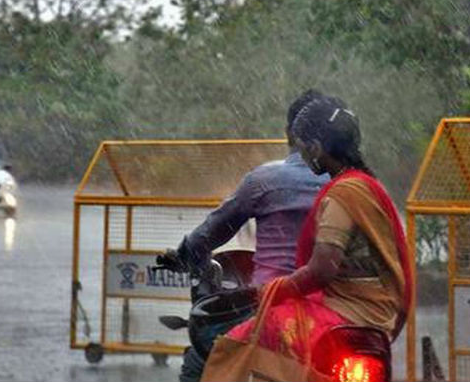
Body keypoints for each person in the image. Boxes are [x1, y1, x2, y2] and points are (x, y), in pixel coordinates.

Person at [219, 95, 414, 365]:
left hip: (347, 314)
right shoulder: (369, 187)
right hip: (381, 317)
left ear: (316, 147)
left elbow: (321, 271)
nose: (305, 157)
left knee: (232, 345)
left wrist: (273, 289)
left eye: (304, 148)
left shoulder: (342, 194)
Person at [174, 89, 329, 382]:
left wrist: (186, 252)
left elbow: (208, 234)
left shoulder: (264, 180)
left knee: (200, 360)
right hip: (336, 313)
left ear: (289, 133)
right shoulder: (352, 185)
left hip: (270, 310)